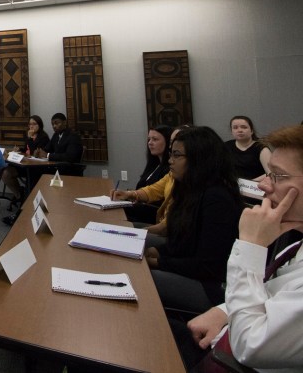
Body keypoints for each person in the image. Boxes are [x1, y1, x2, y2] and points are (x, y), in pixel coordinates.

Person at [185, 125, 303, 372]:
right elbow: (270, 294)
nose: (264, 185)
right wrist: (225, 310)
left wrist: (250, 246)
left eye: (278, 176)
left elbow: (251, 346)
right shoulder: (295, 245)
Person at [145, 126, 242, 314]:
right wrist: (156, 252)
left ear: (199, 159)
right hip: (193, 273)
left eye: (176, 155)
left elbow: (208, 266)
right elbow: (183, 244)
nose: (170, 161)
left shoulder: (217, 198)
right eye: (171, 154)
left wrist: (157, 262)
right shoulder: (191, 189)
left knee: (139, 280)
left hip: (210, 288)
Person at [121, 125, 173, 225]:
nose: (150, 143)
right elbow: (147, 189)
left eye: (155, 139)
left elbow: (156, 197)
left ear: (168, 143)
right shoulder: (154, 165)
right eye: (149, 139)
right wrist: (129, 194)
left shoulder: (170, 170)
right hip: (141, 210)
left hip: (153, 216)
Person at [1, 115, 50, 205]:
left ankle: (26, 201)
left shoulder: (43, 137)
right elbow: (27, 150)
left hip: (36, 168)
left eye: (34, 124)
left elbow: (34, 152)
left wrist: (30, 138)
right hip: (26, 165)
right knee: (6, 173)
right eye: (30, 124)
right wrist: (19, 150)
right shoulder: (30, 135)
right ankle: (19, 195)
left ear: (39, 125)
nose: (31, 126)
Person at [225, 115, 270, 181]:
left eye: (244, 127)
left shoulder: (261, 148)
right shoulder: (225, 146)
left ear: (252, 131)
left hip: (256, 185)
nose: (239, 130)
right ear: (232, 131)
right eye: (235, 128)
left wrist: (248, 183)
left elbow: (271, 173)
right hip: (232, 185)